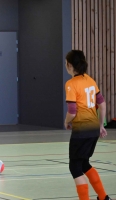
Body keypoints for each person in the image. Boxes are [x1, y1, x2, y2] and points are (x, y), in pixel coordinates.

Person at [64, 50, 111, 200]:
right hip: (93, 131)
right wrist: (101, 125)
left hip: (81, 132)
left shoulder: (71, 84)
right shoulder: (90, 80)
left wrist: (66, 122)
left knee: (75, 167)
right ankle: (103, 197)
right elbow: (102, 104)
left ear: (70, 65)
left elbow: (72, 111)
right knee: (84, 163)